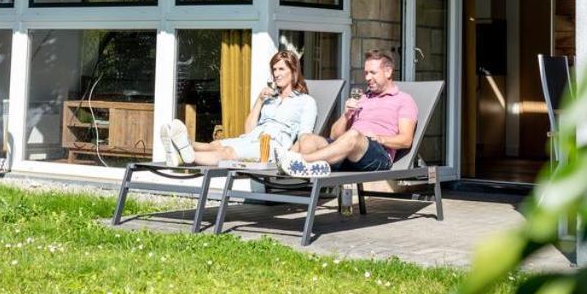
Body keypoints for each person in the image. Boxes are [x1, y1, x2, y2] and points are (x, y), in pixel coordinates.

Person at [160, 49, 317, 167]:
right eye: (274, 69)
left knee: (227, 153)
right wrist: (259, 101)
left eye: (281, 69)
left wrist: (288, 159)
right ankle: (180, 143)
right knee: (215, 145)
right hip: (252, 139)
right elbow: (248, 130)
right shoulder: (270, 100)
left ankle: (182, 156)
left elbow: (305, 138)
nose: (276, 74)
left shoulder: (306, 101)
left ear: (294, 71)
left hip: (272, 146)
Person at [272, 49, 416, 178]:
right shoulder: (363, 98)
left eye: (373, 73)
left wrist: (379, 139)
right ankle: (305, 181)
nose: (367, 78)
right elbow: (334, 136)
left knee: (354, 135)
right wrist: (346, 115)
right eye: (366, 73)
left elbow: (406, 140)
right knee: (307, 138)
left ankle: (301, 161)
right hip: (347, 153)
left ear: (388, 71)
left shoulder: (404, 100)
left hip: (377, 155)